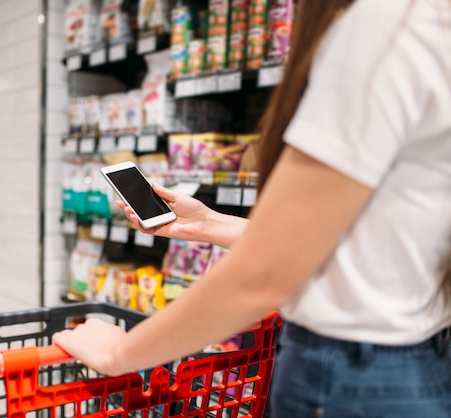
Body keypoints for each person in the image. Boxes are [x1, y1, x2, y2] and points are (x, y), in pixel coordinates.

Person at [53, 0, 451, 416]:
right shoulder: (428, 21)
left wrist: (122, 352)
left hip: (346, 377)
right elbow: (355, 243)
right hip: (415, 363)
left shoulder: (383, 26)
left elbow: (267, 274)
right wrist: (208, 223)